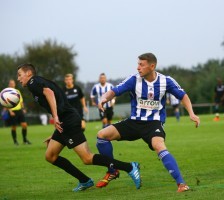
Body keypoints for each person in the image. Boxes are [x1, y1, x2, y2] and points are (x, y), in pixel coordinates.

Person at [16, 63, 141, 192]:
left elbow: (49, 93)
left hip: (68, 121)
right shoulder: (38, 82)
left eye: (20, 75)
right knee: (50, 156)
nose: (18, 79)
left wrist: (55, 117)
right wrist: (55, 133)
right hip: (64, 122)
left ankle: (129, 167)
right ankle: (84, 180)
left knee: (87, 158)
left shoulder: (33, 82)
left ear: (29, 73)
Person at [95, 53, 200, 192]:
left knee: (159, 145)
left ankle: (181, 184)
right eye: (138, 64)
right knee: (102, 135)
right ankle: (112, 170)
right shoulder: (134, 80)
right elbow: (114, 91)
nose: (138, 68)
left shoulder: (166, 81)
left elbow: (183, 96)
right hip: (134, 122)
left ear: (152, 66)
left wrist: (191, 113)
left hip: (153, 124)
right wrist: (104, 98)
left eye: (141, 65)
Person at [6, 79, 31, 145]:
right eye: (11, 83)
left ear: (15, 84)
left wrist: (23, 108)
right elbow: (5, 103)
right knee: (14, 127)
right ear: (9, 84)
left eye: (13, 83)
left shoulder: (17, 91)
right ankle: (15, 141)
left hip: (19, 110)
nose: (12, 84)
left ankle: (25, 140)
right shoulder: (6, 92)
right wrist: (10, 111)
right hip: (13, 111)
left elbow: (21, 101)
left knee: (24, 125)